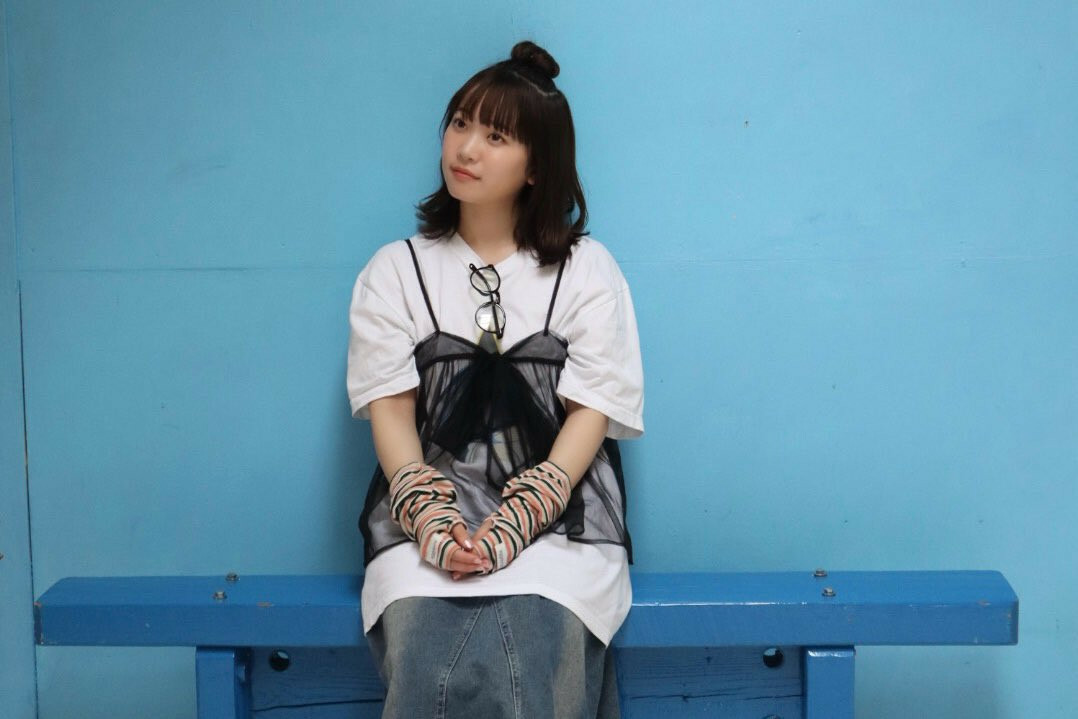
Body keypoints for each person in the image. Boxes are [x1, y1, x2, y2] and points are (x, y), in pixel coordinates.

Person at [346, 40, 644, 719]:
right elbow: (391, 414)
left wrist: (515, 522)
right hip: (422, 528)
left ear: (537, 166)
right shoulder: (395, 270)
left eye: (496, 136)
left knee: (532, 654)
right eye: (459, 123)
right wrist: (435, 524)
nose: (466, 148)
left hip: (561, 526)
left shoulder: (587, 270)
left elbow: (591, 412)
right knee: (425, 656)